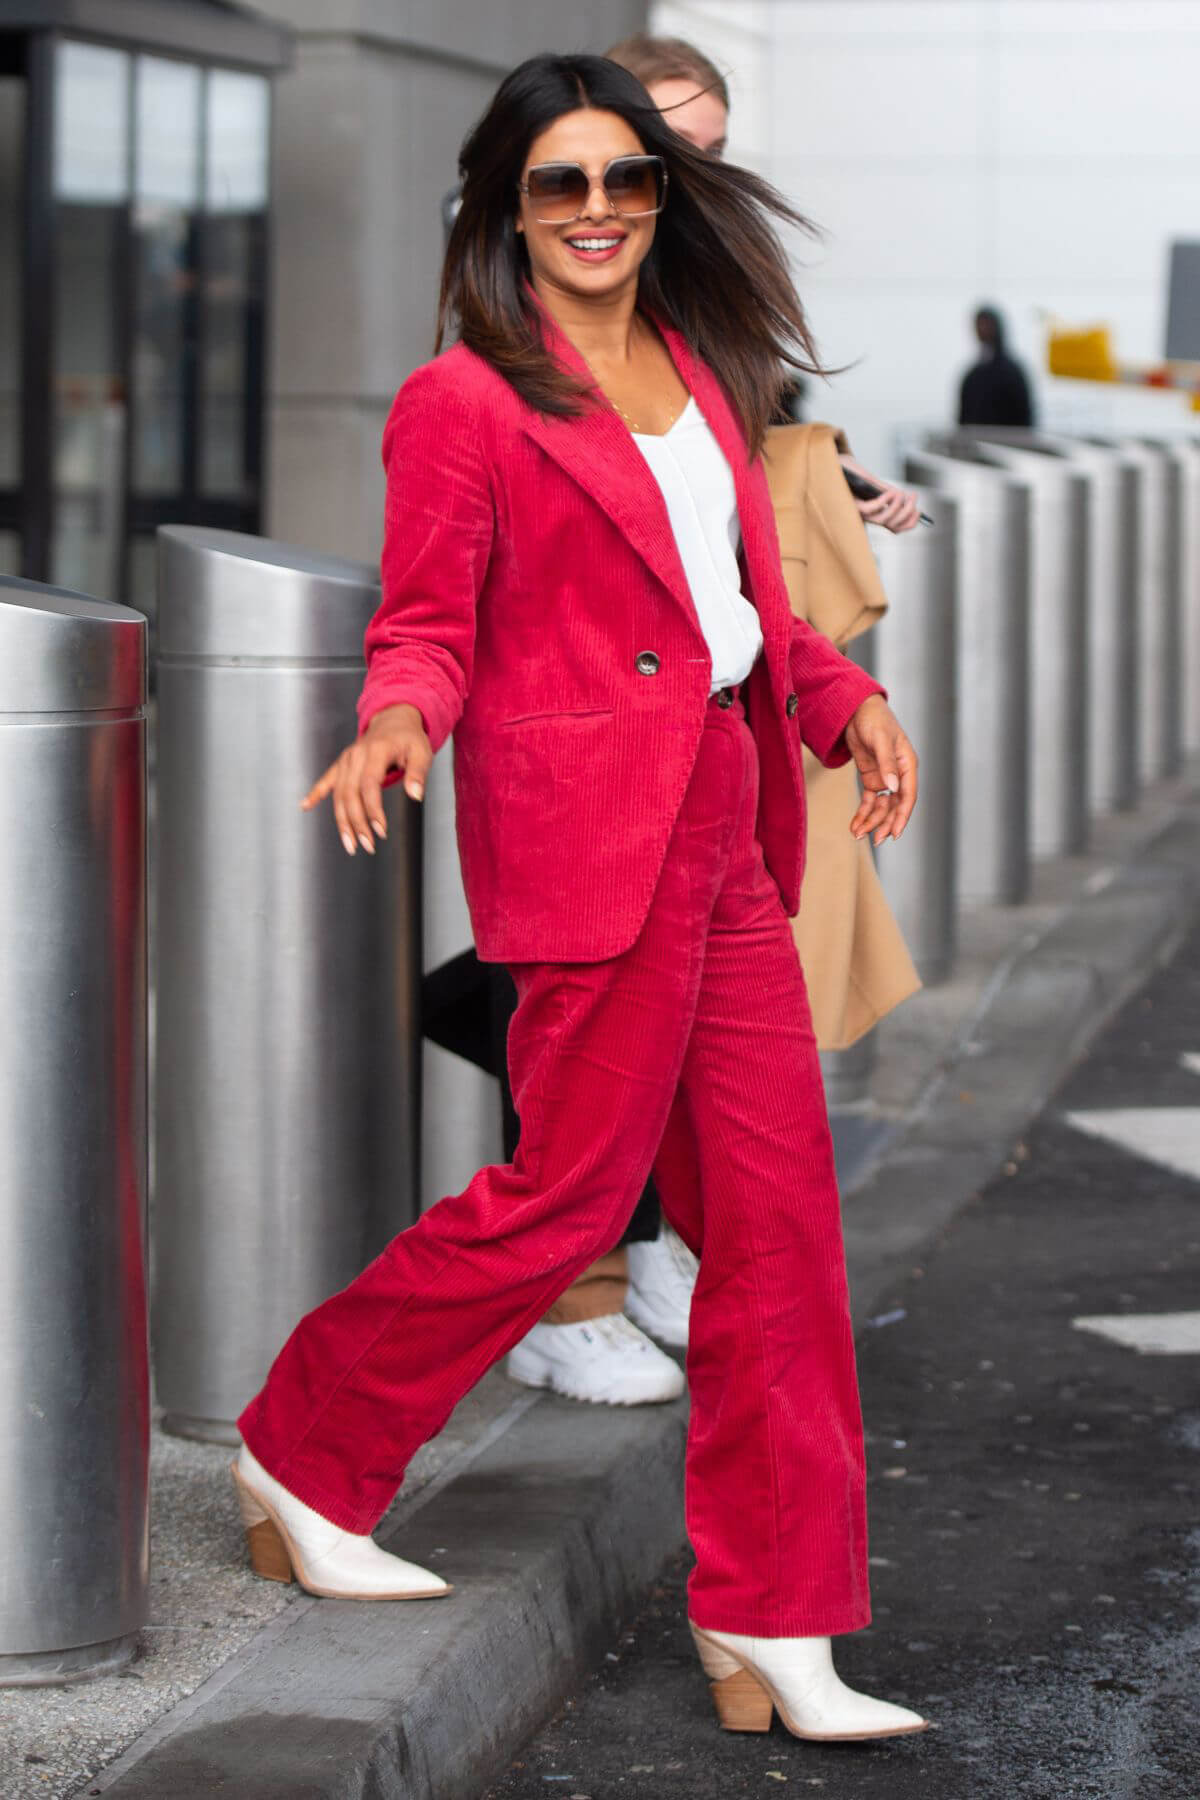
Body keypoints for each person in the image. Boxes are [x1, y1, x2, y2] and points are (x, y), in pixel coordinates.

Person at [232, 52, 928, 1743]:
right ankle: (303, 1449)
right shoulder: (463, 401)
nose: (601, 210)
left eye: (627, 180)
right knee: (564, 1199)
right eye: (563, 185)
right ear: (504, 208)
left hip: (726, 827)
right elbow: (427, 616)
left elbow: (747, 604)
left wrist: (843, 705)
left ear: (662, 196)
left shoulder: (704, 363)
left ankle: (776, 1620)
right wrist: (397, 722)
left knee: (779, 1233)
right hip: (587, 844)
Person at [497, 30, 922, 1405]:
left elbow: (739, 444)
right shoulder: (531, 305)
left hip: (734, 688)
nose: (659, 179)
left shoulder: (702, 293)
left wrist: (824, 473)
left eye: (696, 151)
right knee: (583, 1010)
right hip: (598, 715)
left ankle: (660, 1254)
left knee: (719, 996)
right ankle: (579, 1280)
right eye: (641, 147)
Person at [958, 304, 1035, 428]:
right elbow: (963, 420)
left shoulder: (1012, 372)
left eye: (987, 324)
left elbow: (1026, 418)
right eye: (979, 325)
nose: (982, 329)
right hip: (975, 443)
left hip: (1010, 443)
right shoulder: (972, 376)